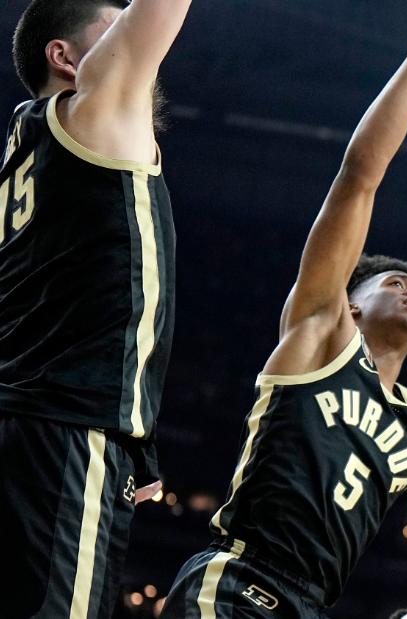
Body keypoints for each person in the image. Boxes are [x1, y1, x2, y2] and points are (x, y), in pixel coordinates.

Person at [160, 1, 407, 616]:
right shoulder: (321, 333)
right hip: (240, 578)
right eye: (395, 282)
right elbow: (360, 175)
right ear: (351, 304)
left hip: (311, 605)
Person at [0, 1, 191, 616]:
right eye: (114, 27)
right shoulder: (94, 106)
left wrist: (140, 444)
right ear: (65, 57)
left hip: (27, 421)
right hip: (67, 432)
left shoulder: (24, 152)